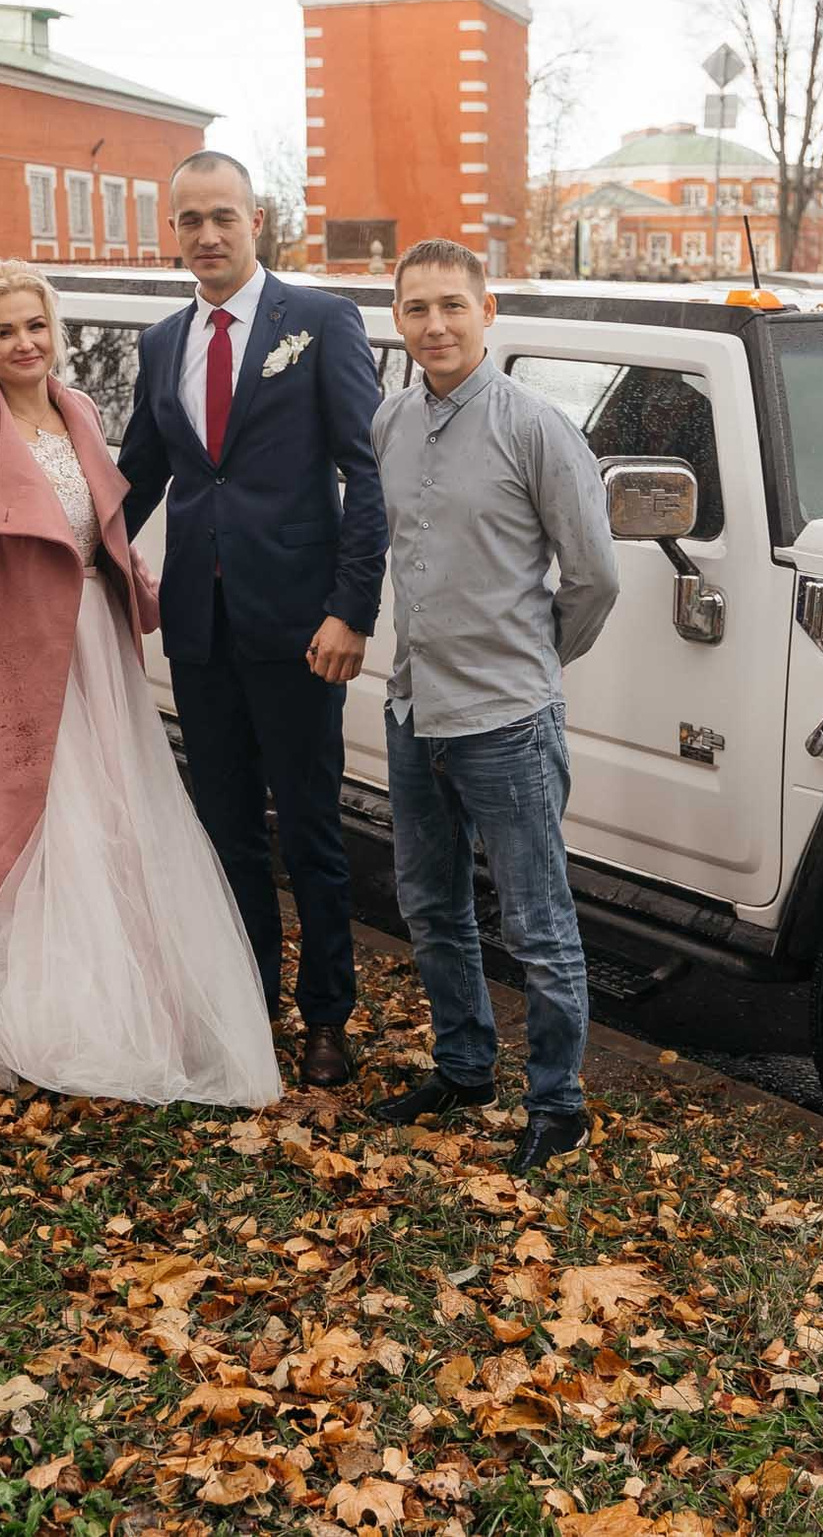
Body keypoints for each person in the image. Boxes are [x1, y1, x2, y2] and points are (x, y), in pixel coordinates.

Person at [0, 260, 280, 1108]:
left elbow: (100, 523)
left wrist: (133, 573)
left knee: (111, 818)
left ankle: (109, 1017)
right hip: (9, 658)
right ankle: (4, 1022)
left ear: (55, 330)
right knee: (21, 825)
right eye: (4, 330)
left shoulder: (80, 412)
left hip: (96, 648)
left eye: (35, 325)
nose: (24, 343)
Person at [117, 152, 385, 1088]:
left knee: (311, 832)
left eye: (222, 216)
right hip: (200, 627)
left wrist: (351, 609)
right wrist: (54, 553)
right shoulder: (161, 343)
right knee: (226, 832)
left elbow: (367, 471)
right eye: (189, 220)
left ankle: (326, 1020)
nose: (207, 236)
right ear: (173, 230)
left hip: (303, 628)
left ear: (256, 219)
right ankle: (247, 1008)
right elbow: (137, 478)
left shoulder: (320, 321)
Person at [365, 240, 621, 1173]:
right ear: (398, 318)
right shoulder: (390, 421)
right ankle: (465, 1069)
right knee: (431, 907)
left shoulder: (537, 428)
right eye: (417, 308)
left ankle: (558, 1105)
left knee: (537, 926)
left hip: (507, 722)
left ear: (487, 311)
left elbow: (594, 578)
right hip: (413, 710)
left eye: (452, 306)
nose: (435, 325)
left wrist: (531, 662)